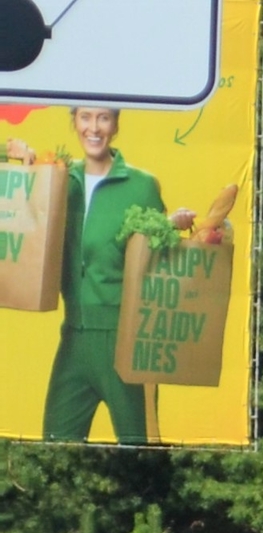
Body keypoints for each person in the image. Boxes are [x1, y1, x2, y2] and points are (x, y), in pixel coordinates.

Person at [7, 108, 195, 444]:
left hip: (123, 341)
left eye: (104, 118)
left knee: (139, 452)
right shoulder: (59, 177)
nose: (94, 128)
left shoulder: (141, 185)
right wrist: (23, 163)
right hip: (74, 337)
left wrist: (172, 226)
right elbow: (27, 221)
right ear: (74, 122)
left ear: (117, 124)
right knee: (55, 447)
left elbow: (155, 261)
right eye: (86, 117)